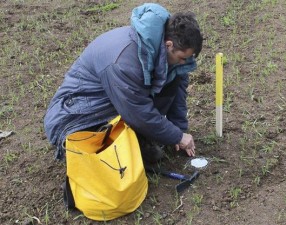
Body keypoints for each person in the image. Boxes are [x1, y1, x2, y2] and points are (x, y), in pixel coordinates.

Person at [44, 3, 203, 164]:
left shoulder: (165, 53)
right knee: (117, 165)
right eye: (183, 58)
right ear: (169, 45)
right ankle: (87, 149)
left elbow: (176, 90)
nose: (184, 63)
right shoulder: (124, 62)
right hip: (76, 115)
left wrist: (179, 130)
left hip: (116, 103)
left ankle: (137, 137)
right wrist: (176, 136)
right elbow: (138, 111)